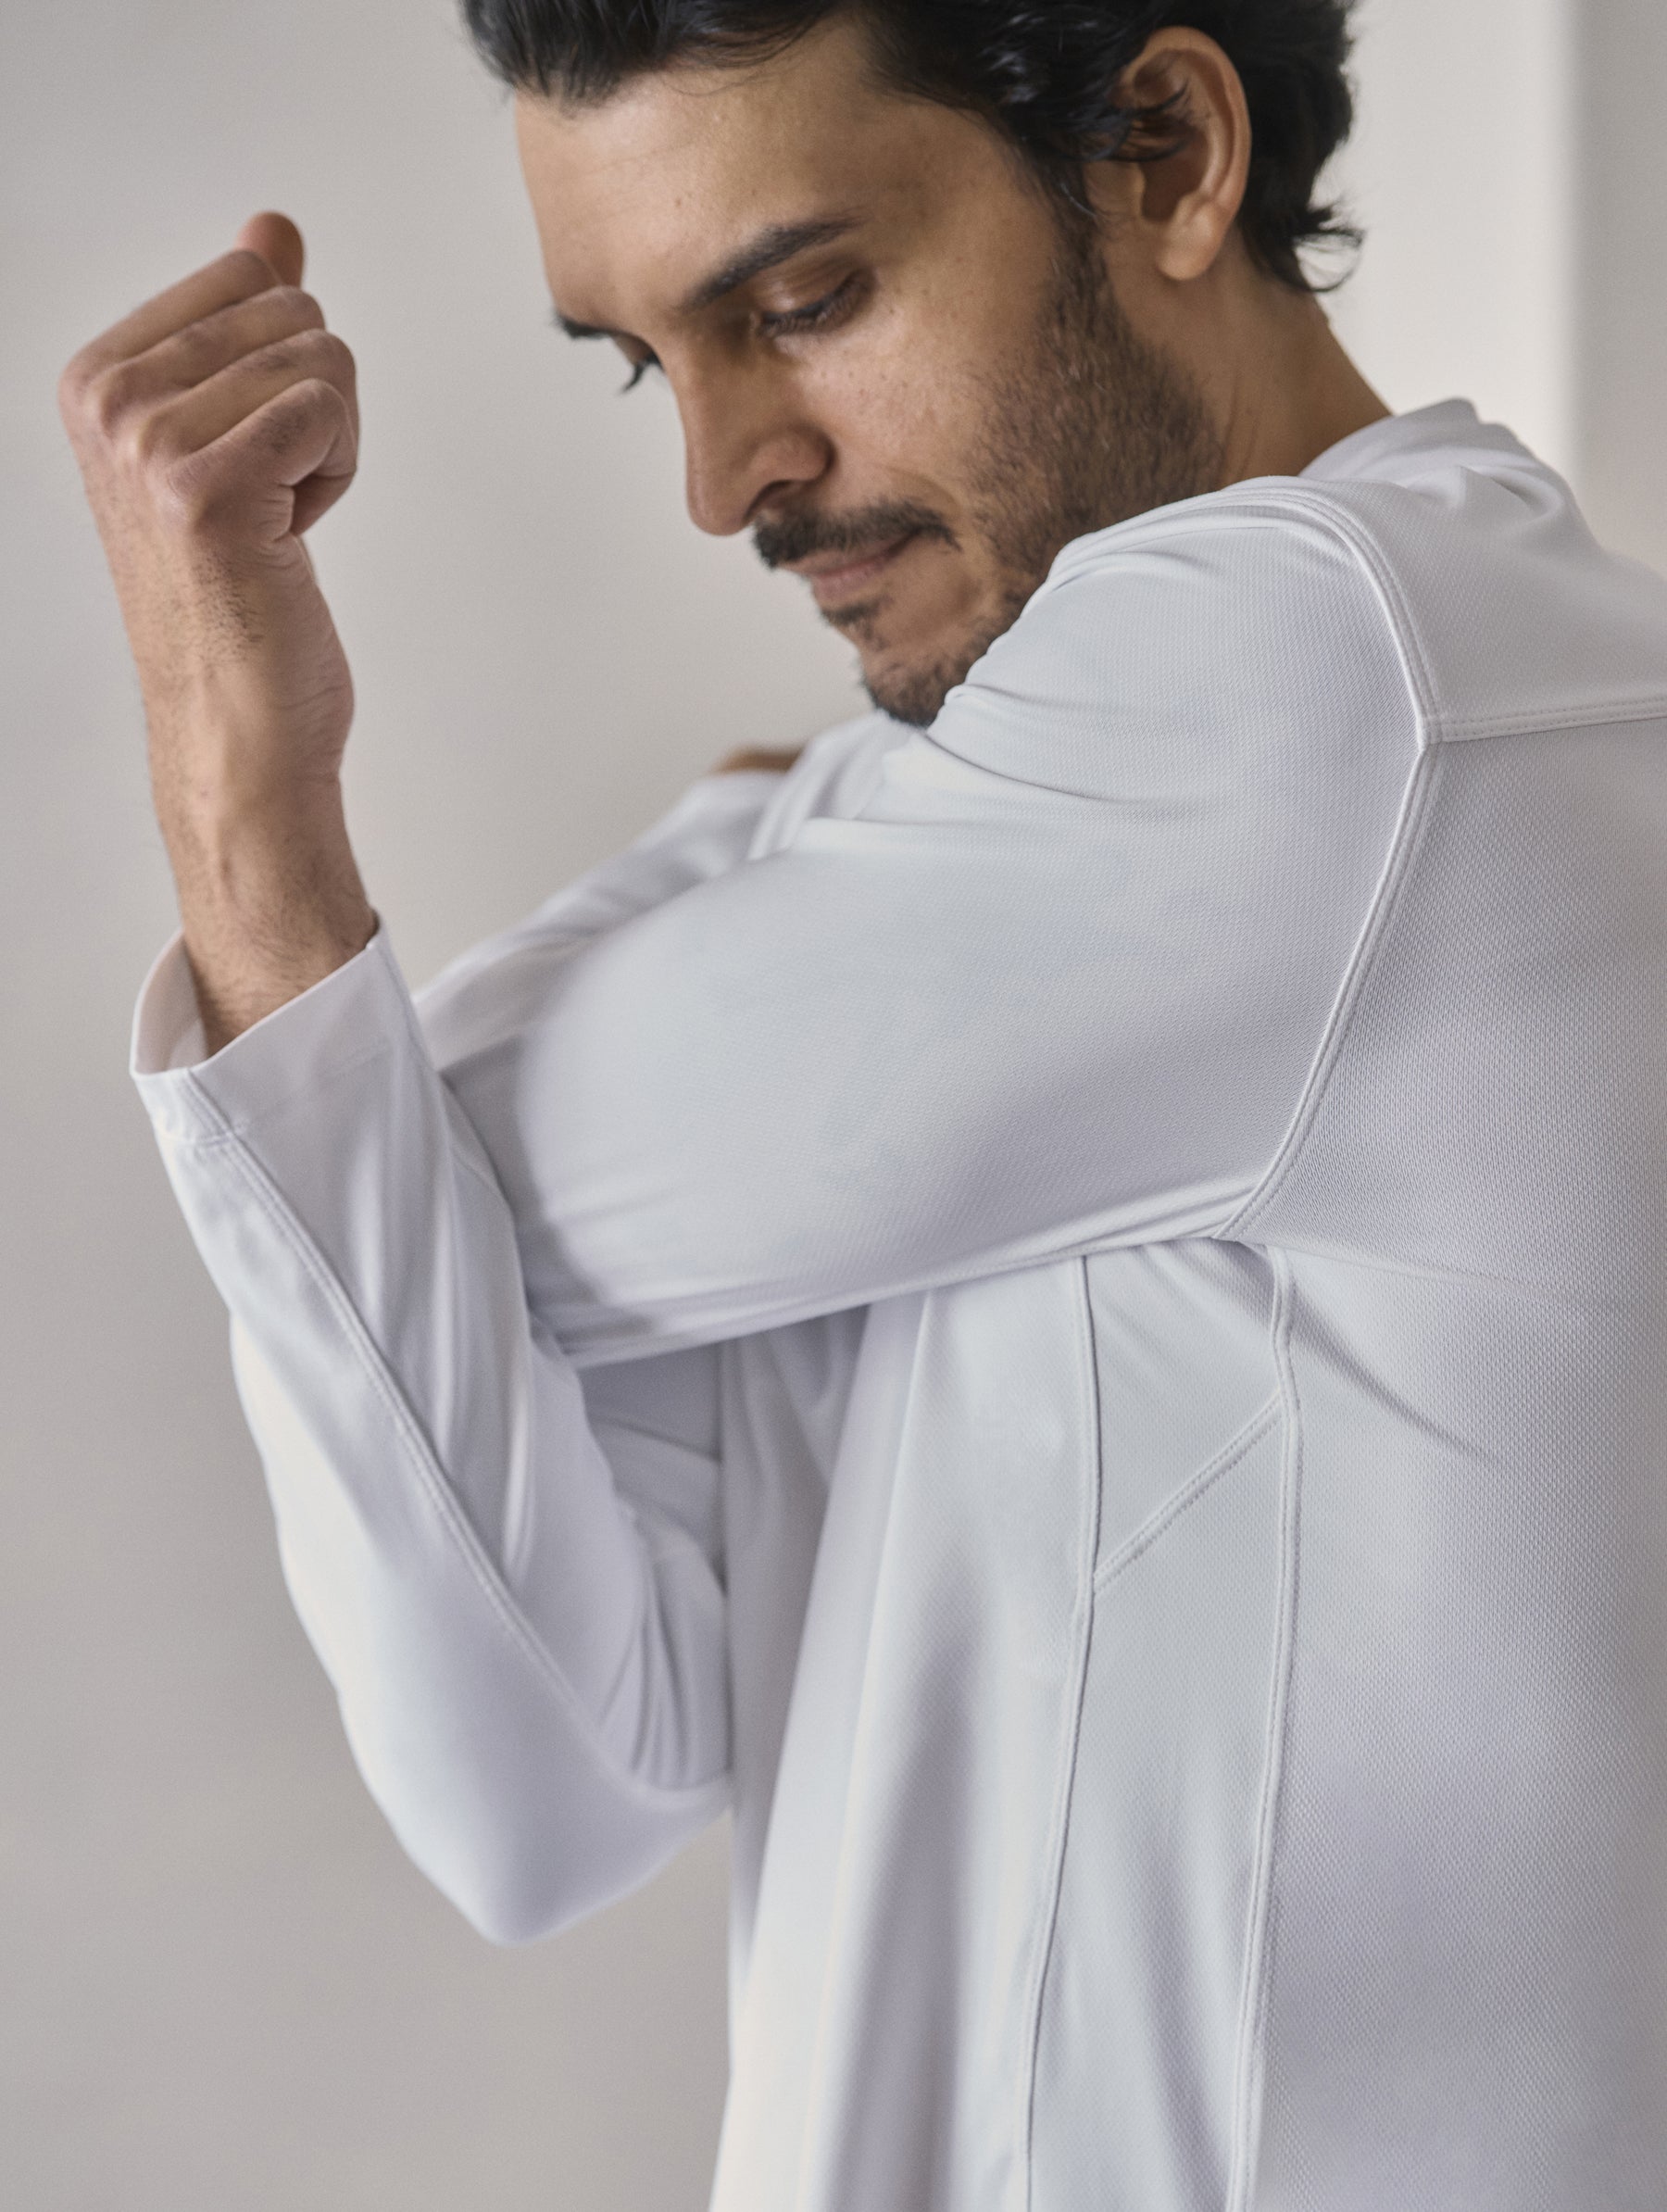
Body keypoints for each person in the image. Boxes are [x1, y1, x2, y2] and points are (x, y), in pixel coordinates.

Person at [57, 2, 1667, 2205]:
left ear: (1168, 152)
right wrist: (767, 837)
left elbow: (401, 1190)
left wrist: (247, 802)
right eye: (646, 364)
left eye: (805, 300)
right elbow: (537, 1794)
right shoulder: (1015, 855)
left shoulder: (1357, 671)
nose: (725, 477)